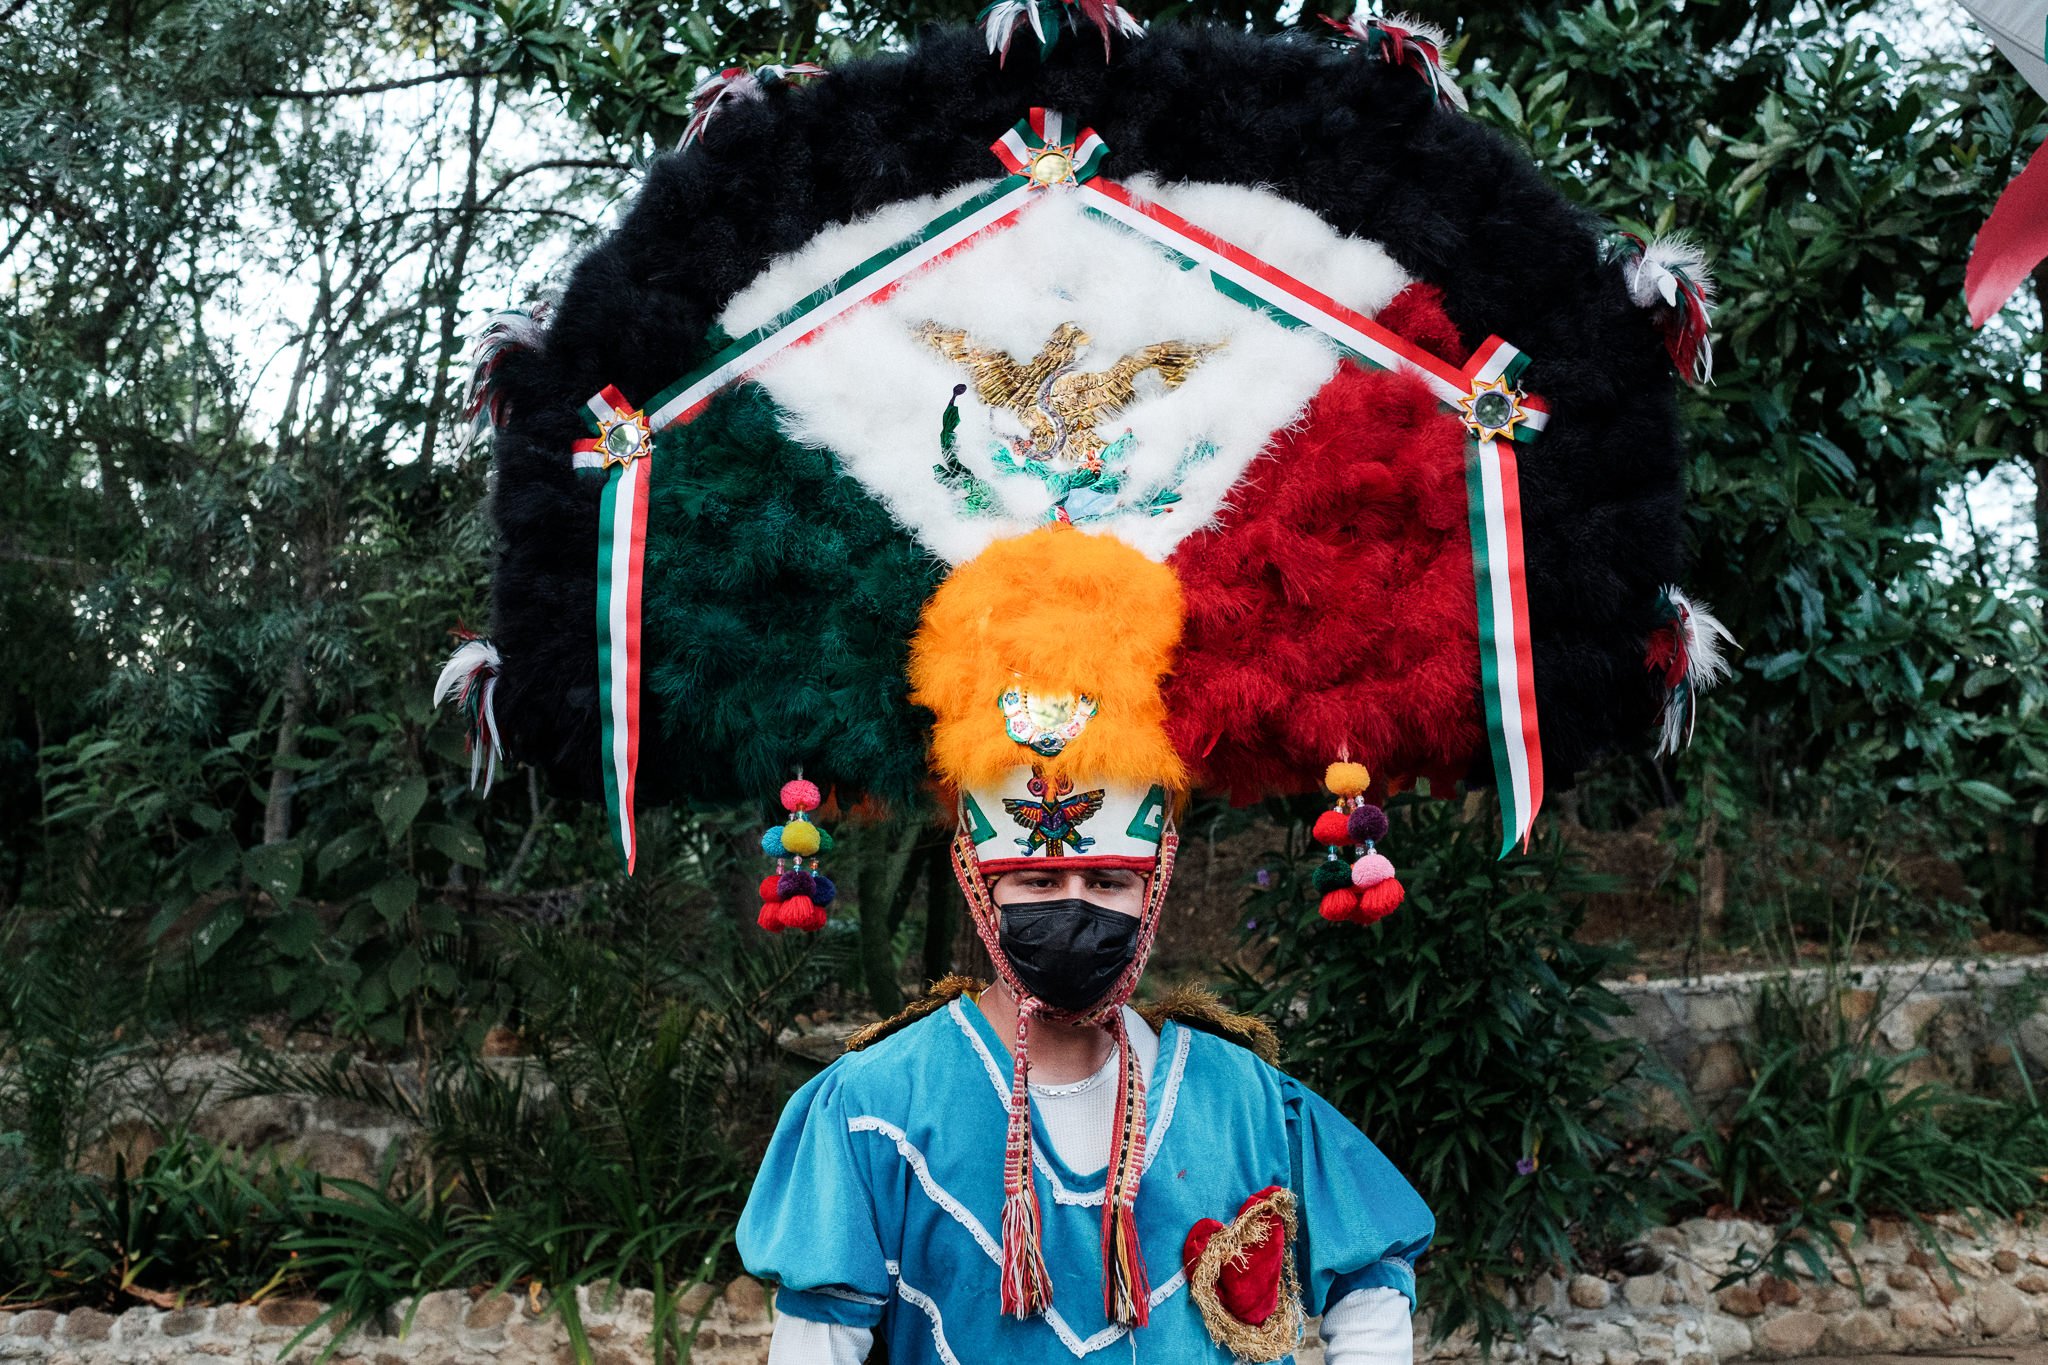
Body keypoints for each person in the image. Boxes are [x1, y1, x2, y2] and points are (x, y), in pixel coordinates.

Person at [737, 736, 1435, 1364]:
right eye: (1039, 883)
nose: (1073, 908)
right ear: (982, 888)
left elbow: (1370, 1270)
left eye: (1106, 882)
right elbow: (818, 1339)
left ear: (1151, 890)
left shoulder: (1244, 1099)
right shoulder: (876, 1105)